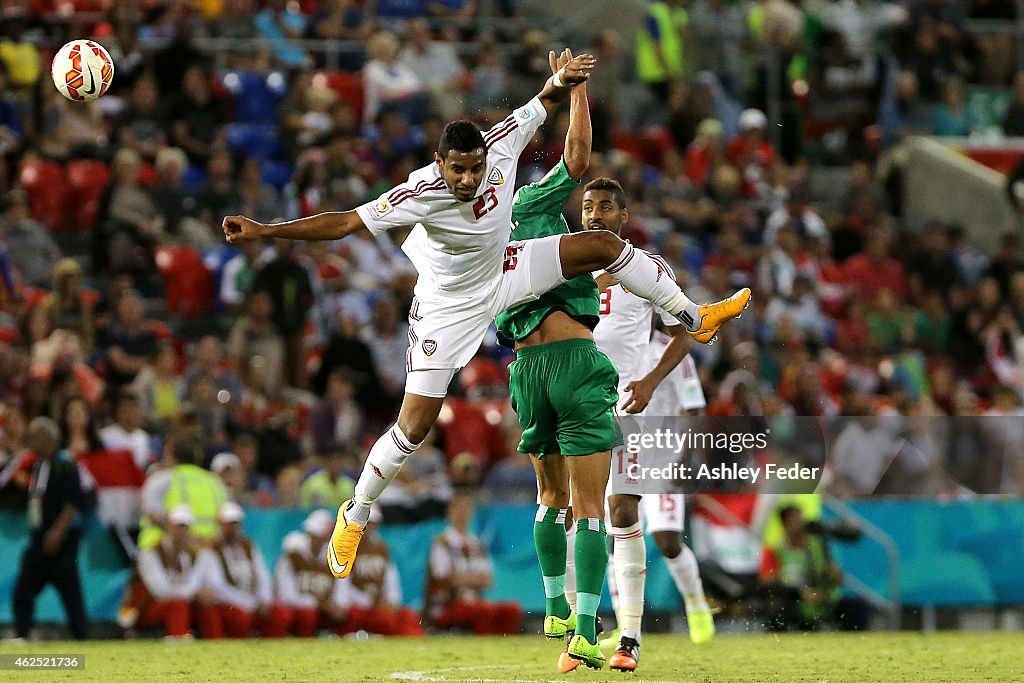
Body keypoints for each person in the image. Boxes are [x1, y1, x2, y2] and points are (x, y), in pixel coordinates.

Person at [223, 49, 750, 584]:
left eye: (476, 168)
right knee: (414, 427)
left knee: (598, 244)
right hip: (447, 309)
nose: (471, 179)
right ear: (440, 162)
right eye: (459, 170)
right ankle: (356, 513)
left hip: (506, 272)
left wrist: (562, 83)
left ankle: (692, 315)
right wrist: (267, 231)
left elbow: (544, 103)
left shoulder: (500, 146)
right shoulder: (419, 192)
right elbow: (342, 225)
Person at [491, 71, 613, 670]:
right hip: (573, 360)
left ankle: (554, 607)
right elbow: (578, 156)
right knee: (592, 507)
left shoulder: (469, 234)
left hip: (524, 371)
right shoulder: (529, 202)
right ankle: (587, 630)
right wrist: (577, 92)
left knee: (549, 495)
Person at [11, 417, 89, 641]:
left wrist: (57, 531)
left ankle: (81, 634)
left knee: (69, 589)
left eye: (33, 437)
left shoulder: (65, 462)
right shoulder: (38, 465)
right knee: (26, 587)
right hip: (40, 538)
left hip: (60, 539)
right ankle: (22, 634)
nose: (30, 442)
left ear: (47, 438)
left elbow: (74, 501)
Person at [423, 490, 523, 635]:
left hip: (473, 601)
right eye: (459, 508)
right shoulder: (442, 542)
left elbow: (487, 580)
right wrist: (473, 579)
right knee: (484, 611)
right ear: (450, 512)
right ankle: (485, 647)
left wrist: (463, 579)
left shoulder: (477, 544)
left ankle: (504, 649)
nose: (463, 513)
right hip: (446, 605)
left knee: (512, 610)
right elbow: (442, 578)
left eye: (466, 508)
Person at [758, 505, 871, 631]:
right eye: (795, 519)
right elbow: (766, 580)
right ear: (785, 524)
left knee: (859, 608)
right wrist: (799, 593)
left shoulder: (816, 545)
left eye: (801, 518)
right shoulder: (775, 549)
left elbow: (836, 578)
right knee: (777, 612)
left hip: (821, 598)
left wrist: (832, 576)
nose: (800, 523)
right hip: (793, 602)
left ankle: (853, 644)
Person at [197, 502, 292, 638]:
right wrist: (249, 603)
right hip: (227, 602)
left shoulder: (248, 546)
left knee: (280, 614)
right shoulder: (211, 549)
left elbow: (262, 576)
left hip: (251, 601)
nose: (233, 528)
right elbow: (217, 586)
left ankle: (270, 650)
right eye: (229, 524)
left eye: (236, 524)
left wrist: (264, 600)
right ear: (220, 524)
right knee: (240, 618)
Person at [339, 507, 424, 636]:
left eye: (371, 524)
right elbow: (341, 586)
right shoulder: (345, 548)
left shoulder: (382, 549)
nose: (367, 528)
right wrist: (369, 602)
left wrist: (390, 602)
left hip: (378, 604)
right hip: (356, 606)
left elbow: (391, 579)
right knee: (384, 621)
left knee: (408, 616)